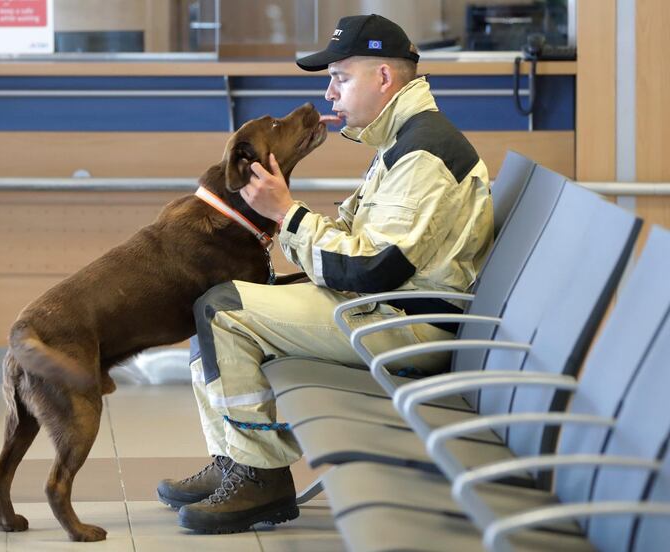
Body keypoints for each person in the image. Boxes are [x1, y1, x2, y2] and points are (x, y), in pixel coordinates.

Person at [157, 13, 494, 534]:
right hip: (386, 309)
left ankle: (259, 475)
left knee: (223, 312)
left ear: (383, 77)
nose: (331, 94)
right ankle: (233, 457)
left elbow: (373, 267)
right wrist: (289, 220)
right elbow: (364, 242)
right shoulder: (402, 140)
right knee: (215, 300)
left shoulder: (424, 152)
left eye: (341, 77)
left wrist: (286, 213)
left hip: (403, 324)